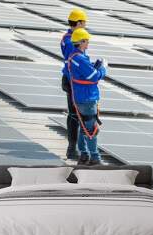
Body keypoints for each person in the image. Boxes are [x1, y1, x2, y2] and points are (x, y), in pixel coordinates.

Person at [67, 28, 107, 165]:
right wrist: (102, 69)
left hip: (80, 97)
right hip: (87, 97)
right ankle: (95, 157)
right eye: (87, 41)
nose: (88, 43)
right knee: (91, 128)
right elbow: (93, 76)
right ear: (81, 41)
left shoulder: (75, 56)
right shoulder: (79, 59)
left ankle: (83, 154)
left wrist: (93, 66)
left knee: (83, 126)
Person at [60, 9, 88, 160]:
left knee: (75, 115)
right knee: (75, 115)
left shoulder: (68, 37)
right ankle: (72, 149)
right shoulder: (72, 40)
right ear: (78, 23)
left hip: (70, 79)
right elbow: (76, 63)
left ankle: (75, 148)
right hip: (73, 81)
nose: (85, 26)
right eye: (84, 23)